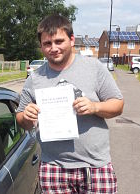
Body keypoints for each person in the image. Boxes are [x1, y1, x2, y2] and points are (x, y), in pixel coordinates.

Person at [16, 15, 124, 193]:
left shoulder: (94, 68)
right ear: (41, 46)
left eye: (59, 41)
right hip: (54, 167)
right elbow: (21, 118)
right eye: (47, 44)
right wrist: (26, 116)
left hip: (95, 166)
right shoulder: (34, 79)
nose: (54, 48)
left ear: (72, 40)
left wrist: (95, 107)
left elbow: (118, 105)